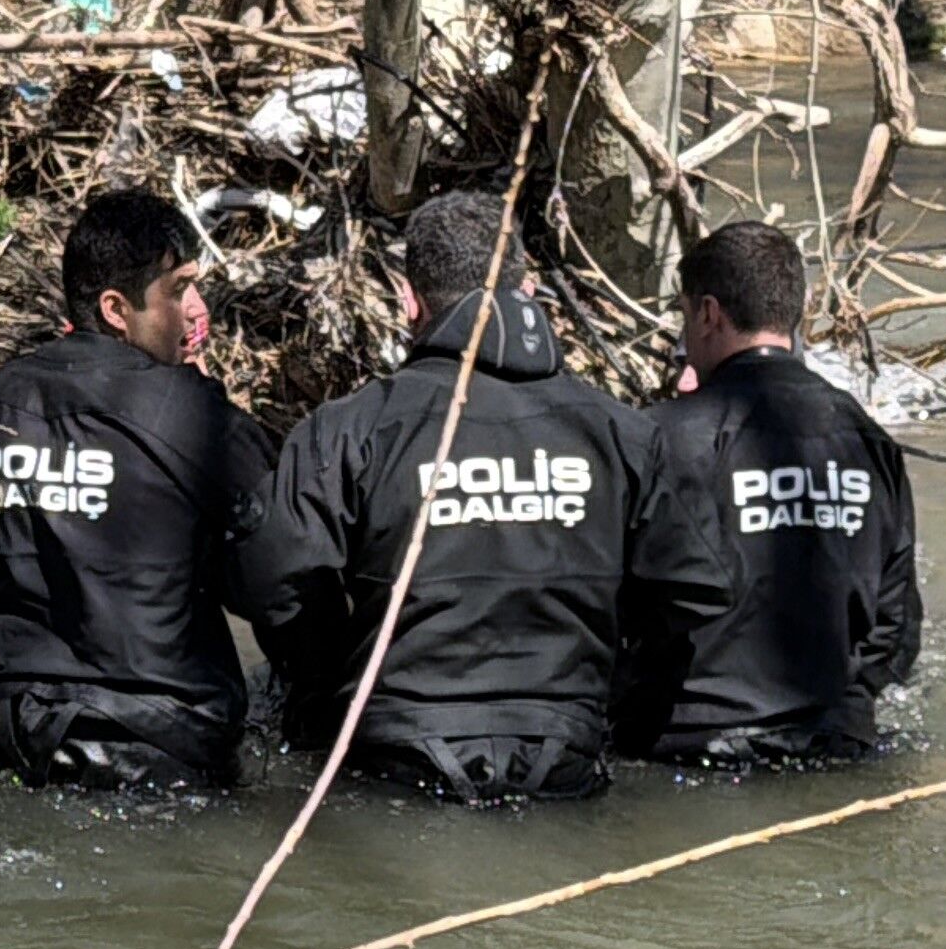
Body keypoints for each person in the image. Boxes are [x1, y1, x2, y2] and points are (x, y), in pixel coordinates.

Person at [245, 190, 729, 802]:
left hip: (397, 759)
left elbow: (273, 578)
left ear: (408, 299)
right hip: (565, 759)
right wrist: (612, 699)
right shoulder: (621, 432)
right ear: (527, 293)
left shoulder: (350, 428)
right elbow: (698, 590)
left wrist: (330, 693)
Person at [0, 188, 280, 787]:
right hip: (177, 747)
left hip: (34, 741)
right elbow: (278, 587)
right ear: (115, 308)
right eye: (178, 289)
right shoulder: (200, 419)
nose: (192, 310)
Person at [618, 221, 921, 762]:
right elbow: (896, 628)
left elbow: (617, 604)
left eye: (686, 317)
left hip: (690, 746)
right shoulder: (868, 438)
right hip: (834, 741)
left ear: (709, 313)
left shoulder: (658, 438)